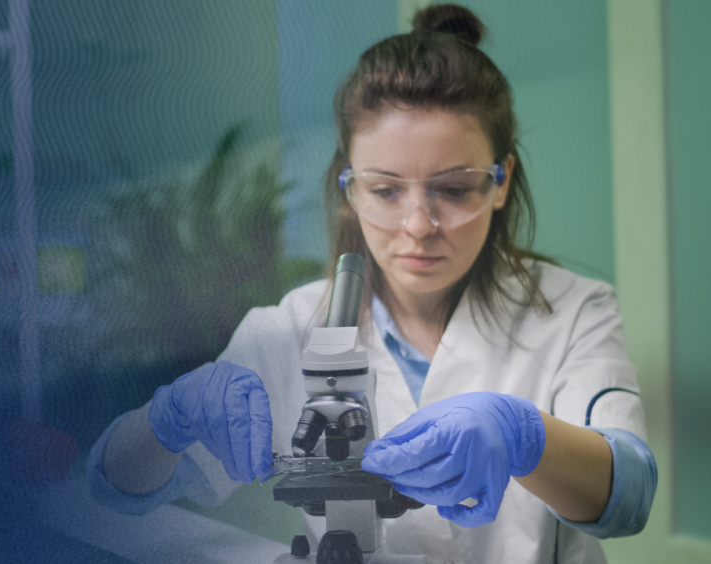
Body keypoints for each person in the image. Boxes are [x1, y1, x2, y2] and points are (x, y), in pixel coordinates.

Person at [89, 4, 657, 562]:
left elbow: (629, 498)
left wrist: (527, 437)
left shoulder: (574, 309)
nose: (418, 226)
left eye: (455, 188)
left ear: (501, 182)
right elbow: (116, 491)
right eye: (385, 191)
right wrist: (165, 421)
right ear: (350, 188)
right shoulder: (289, 327)